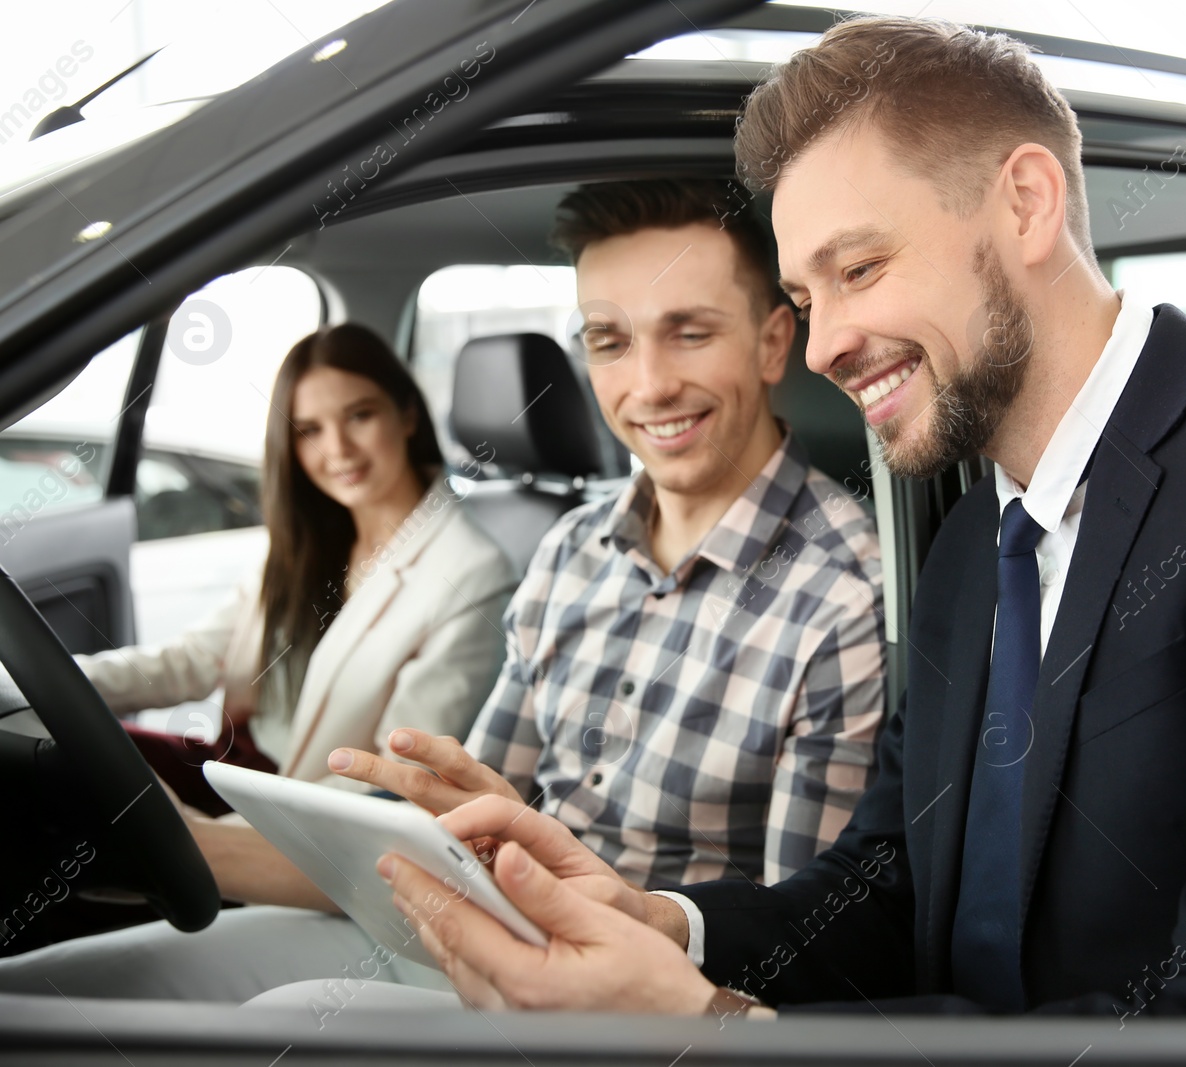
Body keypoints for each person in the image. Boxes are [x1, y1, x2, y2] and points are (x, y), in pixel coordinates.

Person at [367, 16, 1186, 1019]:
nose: (821, 344)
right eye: (801, 295)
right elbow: (895, 886)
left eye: (860, 268)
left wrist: (724, 1026)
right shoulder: (981, 542)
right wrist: (665, 924)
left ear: (1025, 203)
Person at [0, 180, 886, 1004]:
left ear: (774, 343)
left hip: (630, 995)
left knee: (304, 1018)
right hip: (474, 923)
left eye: (690, 331)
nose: (648, 384)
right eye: (610, 340)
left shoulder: (844, 593)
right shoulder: (573, 550)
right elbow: (469, 806)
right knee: (59, 993)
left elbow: (794, 943)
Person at [74, 322, 518, 809]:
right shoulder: (311, 537)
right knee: (70, 752)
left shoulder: (471, 572)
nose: (338, 450)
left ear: (408, 415)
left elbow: (395, 777)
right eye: (310, 430)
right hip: (237, 769)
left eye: (360, 416)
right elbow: (194, 661)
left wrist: (225, 838)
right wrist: (57, 680)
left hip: (305, 809)